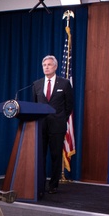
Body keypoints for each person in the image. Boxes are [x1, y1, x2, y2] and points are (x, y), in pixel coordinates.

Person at [33, 55, 74, 195]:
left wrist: (60, 118)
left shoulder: (64, 83)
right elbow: (34, 106)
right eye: (44, 65)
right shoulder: (36, 84)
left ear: (55, 67)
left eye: (49, 64)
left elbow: (69, 106)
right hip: (40, 126)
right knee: (40, 156)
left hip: (57, 125)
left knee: (56, 156)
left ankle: (53, 185)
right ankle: (40, 184)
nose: (46, 67)